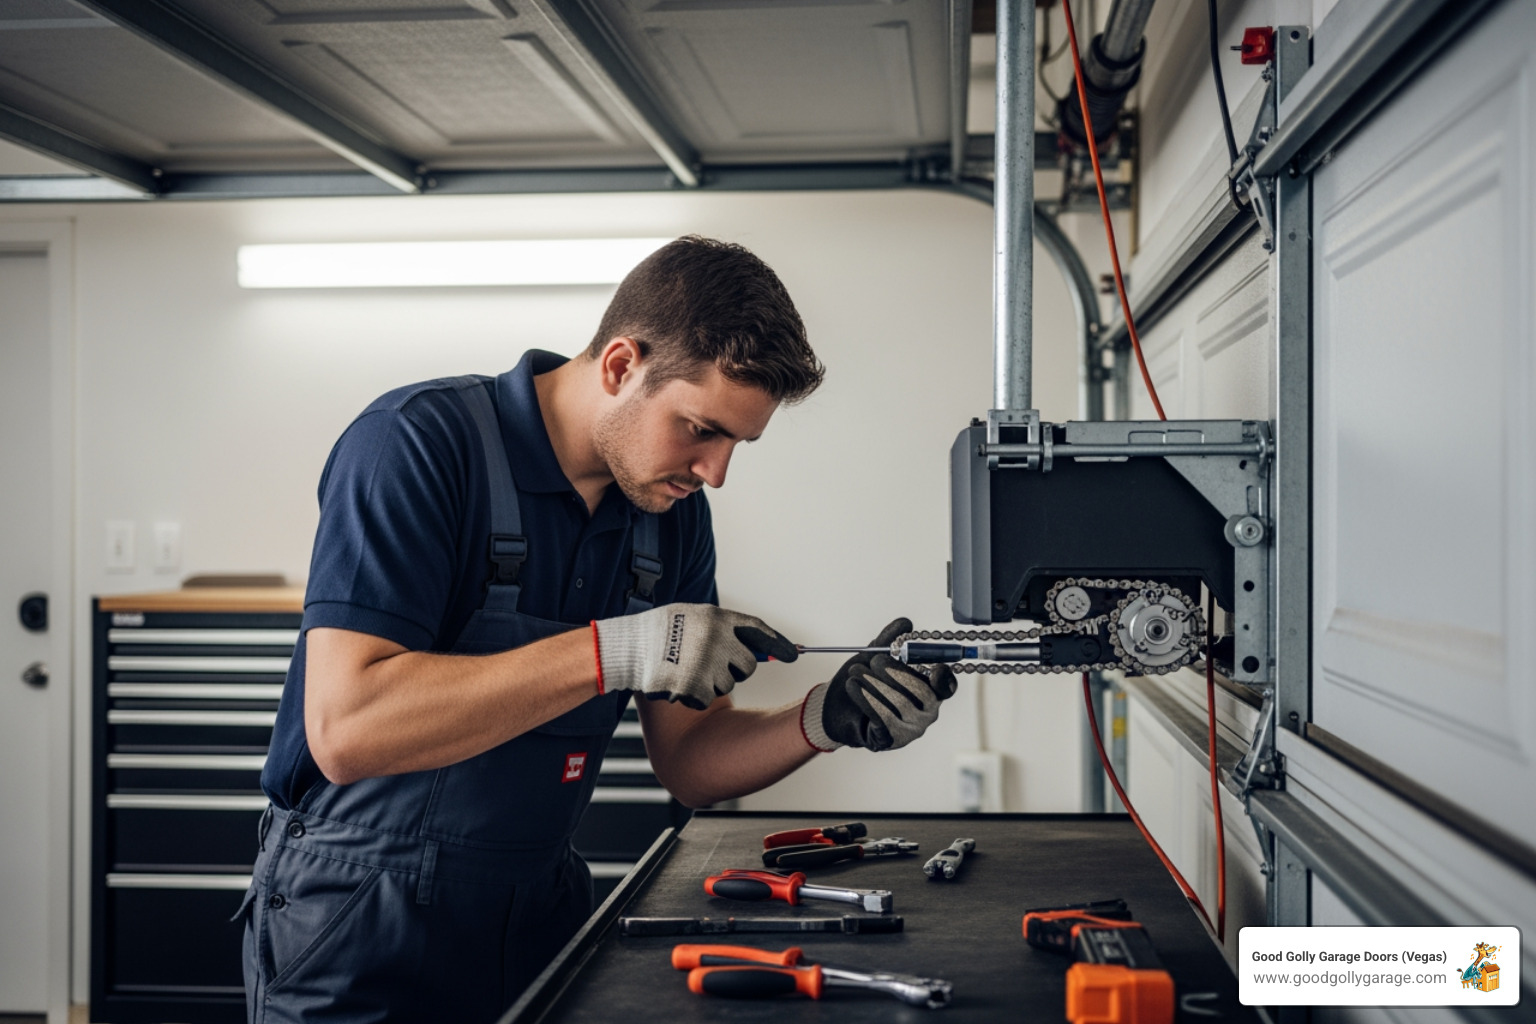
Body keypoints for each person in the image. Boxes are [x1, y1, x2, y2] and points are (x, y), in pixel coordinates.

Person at [239, 235, 957, 1023]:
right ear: (621, 365)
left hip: (537, 903)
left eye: (737, 445)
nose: (714, 472)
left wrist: (820, 720)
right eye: (700, 429)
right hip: (357, 911)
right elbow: (348, 729)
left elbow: (688, 760)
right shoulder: (417, 444)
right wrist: (615, 651)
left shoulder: (672, 521)